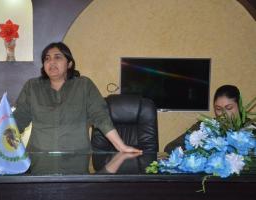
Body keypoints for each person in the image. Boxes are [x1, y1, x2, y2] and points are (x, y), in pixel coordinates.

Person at [13, 42, 141, 153]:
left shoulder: (84, 85)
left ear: (69, 64)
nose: (51, 62)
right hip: (38, 159)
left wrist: (121, 146)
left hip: (76, 160)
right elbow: (18, 119)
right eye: (47, 59)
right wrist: (1, 148)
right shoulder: (32, 87)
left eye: (57, 57)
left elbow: (101, 117)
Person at [164, 85, 243, 153]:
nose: (223, 114)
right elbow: (170, 147)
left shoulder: (250, 130)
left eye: (229, 108)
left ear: (239, 106)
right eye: (218, 109)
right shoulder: (205, 126)